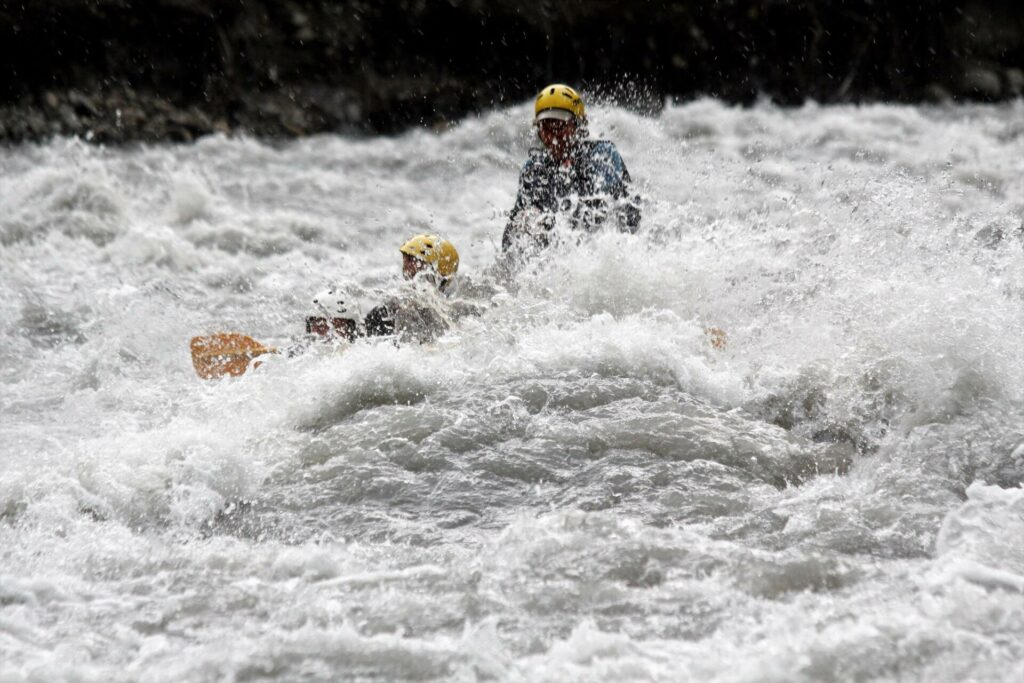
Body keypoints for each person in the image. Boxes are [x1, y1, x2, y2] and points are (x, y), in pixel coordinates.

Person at [501, 84, 641, 256]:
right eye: (546, 127)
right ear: (539, 131)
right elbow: (510, 237)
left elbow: (597, 212)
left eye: (559, 126)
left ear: (577, 126)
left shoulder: (603, 155)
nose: (553, 137)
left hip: (611, 251)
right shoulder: (533, 169)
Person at [365, 233, 473, 344]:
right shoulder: (388, 312)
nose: (407, 267)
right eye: (406, 259)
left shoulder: (458, 314)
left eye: (413, 260)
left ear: (437, 271)